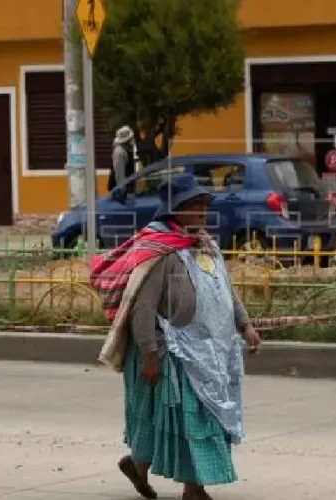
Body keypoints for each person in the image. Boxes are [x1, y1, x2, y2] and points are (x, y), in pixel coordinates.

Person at [90, 173, 261, 500]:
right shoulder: (159, 251)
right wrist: (150, 355)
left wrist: (245, 325)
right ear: (175, 210)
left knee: (199, 418)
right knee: (170, 420)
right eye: (194, 206)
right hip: (171, 351)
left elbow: (225, 289)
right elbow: (142, 308)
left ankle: (173, 480)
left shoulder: (206, 245)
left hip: (209, 350)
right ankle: (180, 483)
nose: (201, 212)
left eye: (203, 205)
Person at [109, 125, 138, 192]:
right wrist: (122, 191)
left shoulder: (126, 150)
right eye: (131, 138)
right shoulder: (120, 152)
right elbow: (120, 174)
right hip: (120, 192)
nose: (133, 140)